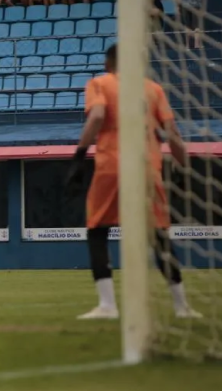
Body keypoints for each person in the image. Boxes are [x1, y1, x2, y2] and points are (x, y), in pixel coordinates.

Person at [64, 44, 202, 320]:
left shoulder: (99, 84)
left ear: (108, 63)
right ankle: (182, 306)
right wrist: (186, 172)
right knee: (159, 236)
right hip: (147, 167)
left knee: (97, 230)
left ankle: (107, 305)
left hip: (112, 166)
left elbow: (98, 116)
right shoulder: (153, 89)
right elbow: (173, 135)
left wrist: (79, 157)